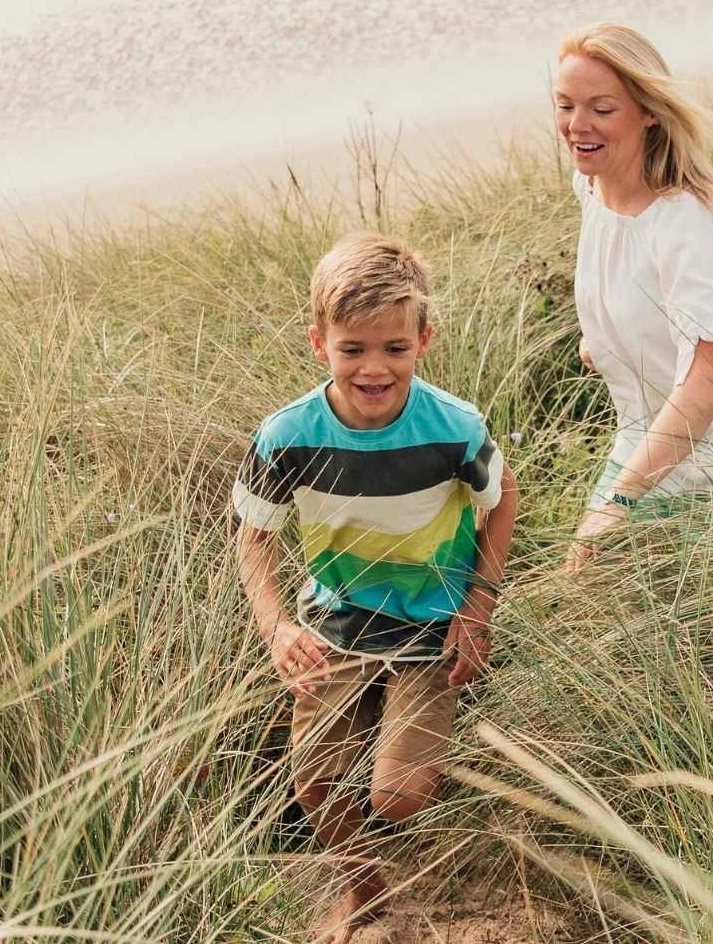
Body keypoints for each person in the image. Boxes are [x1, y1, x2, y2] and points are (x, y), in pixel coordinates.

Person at [232, 233, 518, 943]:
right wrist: (276, 629)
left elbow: (502, 495)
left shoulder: (454, 426)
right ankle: (363, 884)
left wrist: (478, 610)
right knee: (316, 783)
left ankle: (415, 740)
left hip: (431, 625)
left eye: (394, 347)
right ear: (318, 344)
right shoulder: (287, 436)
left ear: (425, 340)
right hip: (335, 624)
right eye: (352, 348)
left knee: (396, 796)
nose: (373, 367)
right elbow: (254, 538)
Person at [555, 22, 713, 563]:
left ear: (649, 110)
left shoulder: (684, 221)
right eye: (565, 105)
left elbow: (711, 380)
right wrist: (603, 341)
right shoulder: (592, 187)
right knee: (585, 589)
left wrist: (619, 501)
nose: (578, 125)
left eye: (602, 109)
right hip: (649, 440)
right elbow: (632, 284)